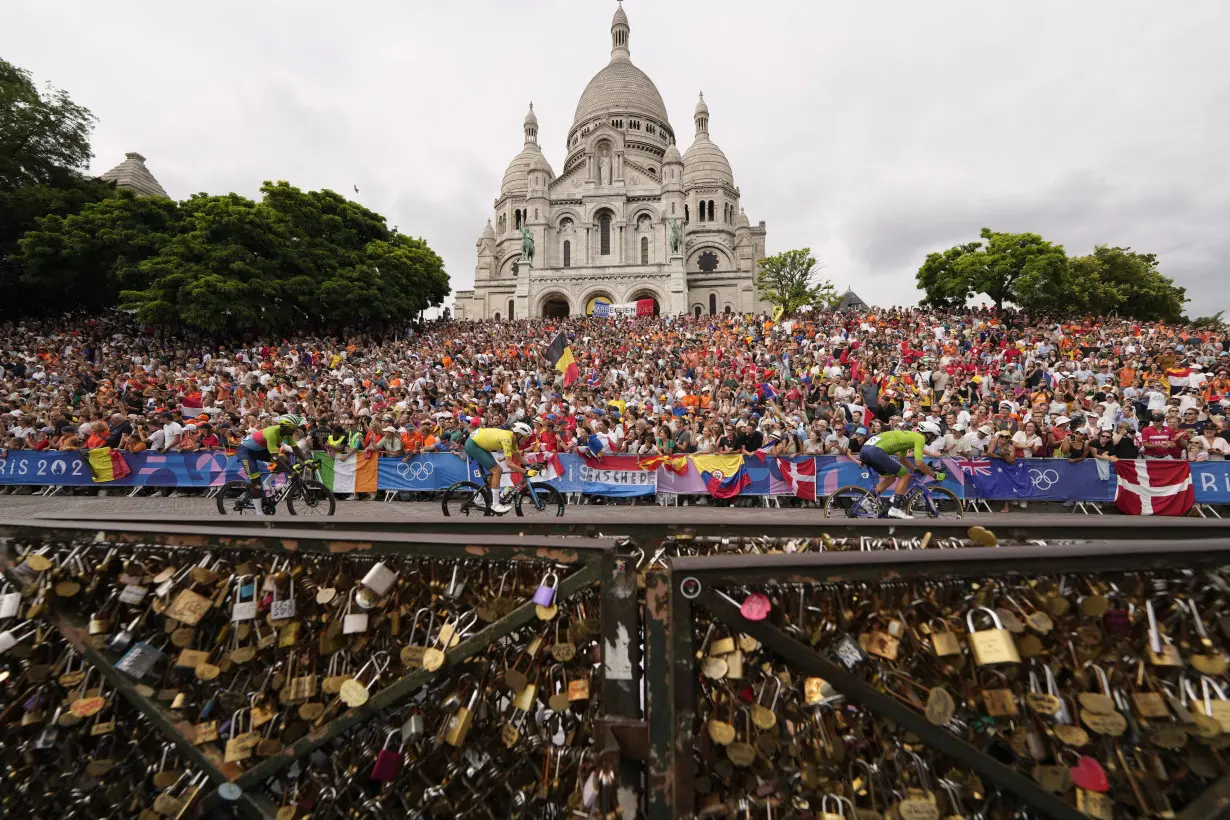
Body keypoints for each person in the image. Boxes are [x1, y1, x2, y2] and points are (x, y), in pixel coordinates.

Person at [857, 421, 943, 520]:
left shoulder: (909, 436)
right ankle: (895, 508)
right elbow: (919, 463)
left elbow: (903, 459)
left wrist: (914, 469)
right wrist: (934, 475)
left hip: (866, 450)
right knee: (905, 475)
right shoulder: (920, 438)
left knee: (891, 478)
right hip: (876, 451)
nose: (933, 440)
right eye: (934, 437)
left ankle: (866, 501)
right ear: (929, 434)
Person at [236, 414, 306, 515]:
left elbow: (296, 449)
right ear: (283, 426)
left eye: (295, 427)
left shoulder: (288, 433)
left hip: (260, 450)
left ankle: (267, 482)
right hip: (246, 451)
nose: (294, 430)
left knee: (285, 460)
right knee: (256, 483)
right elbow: (275, 457)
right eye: (292, 428)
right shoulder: (272, 432)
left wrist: (308, 461)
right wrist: (290, 472)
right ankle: (259, 513)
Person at [465, 421, 533, 513]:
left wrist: (534, 464)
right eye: (526, 437)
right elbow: (509, 464)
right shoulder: (507, 439)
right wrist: (526, 472)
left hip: (479, 444)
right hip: (473, 445)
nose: (527, 440)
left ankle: (479, 498)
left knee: (494, 472)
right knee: (497, 470)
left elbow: (519, 458)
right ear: (518, 434)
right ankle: (495, 505)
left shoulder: (513, 439)